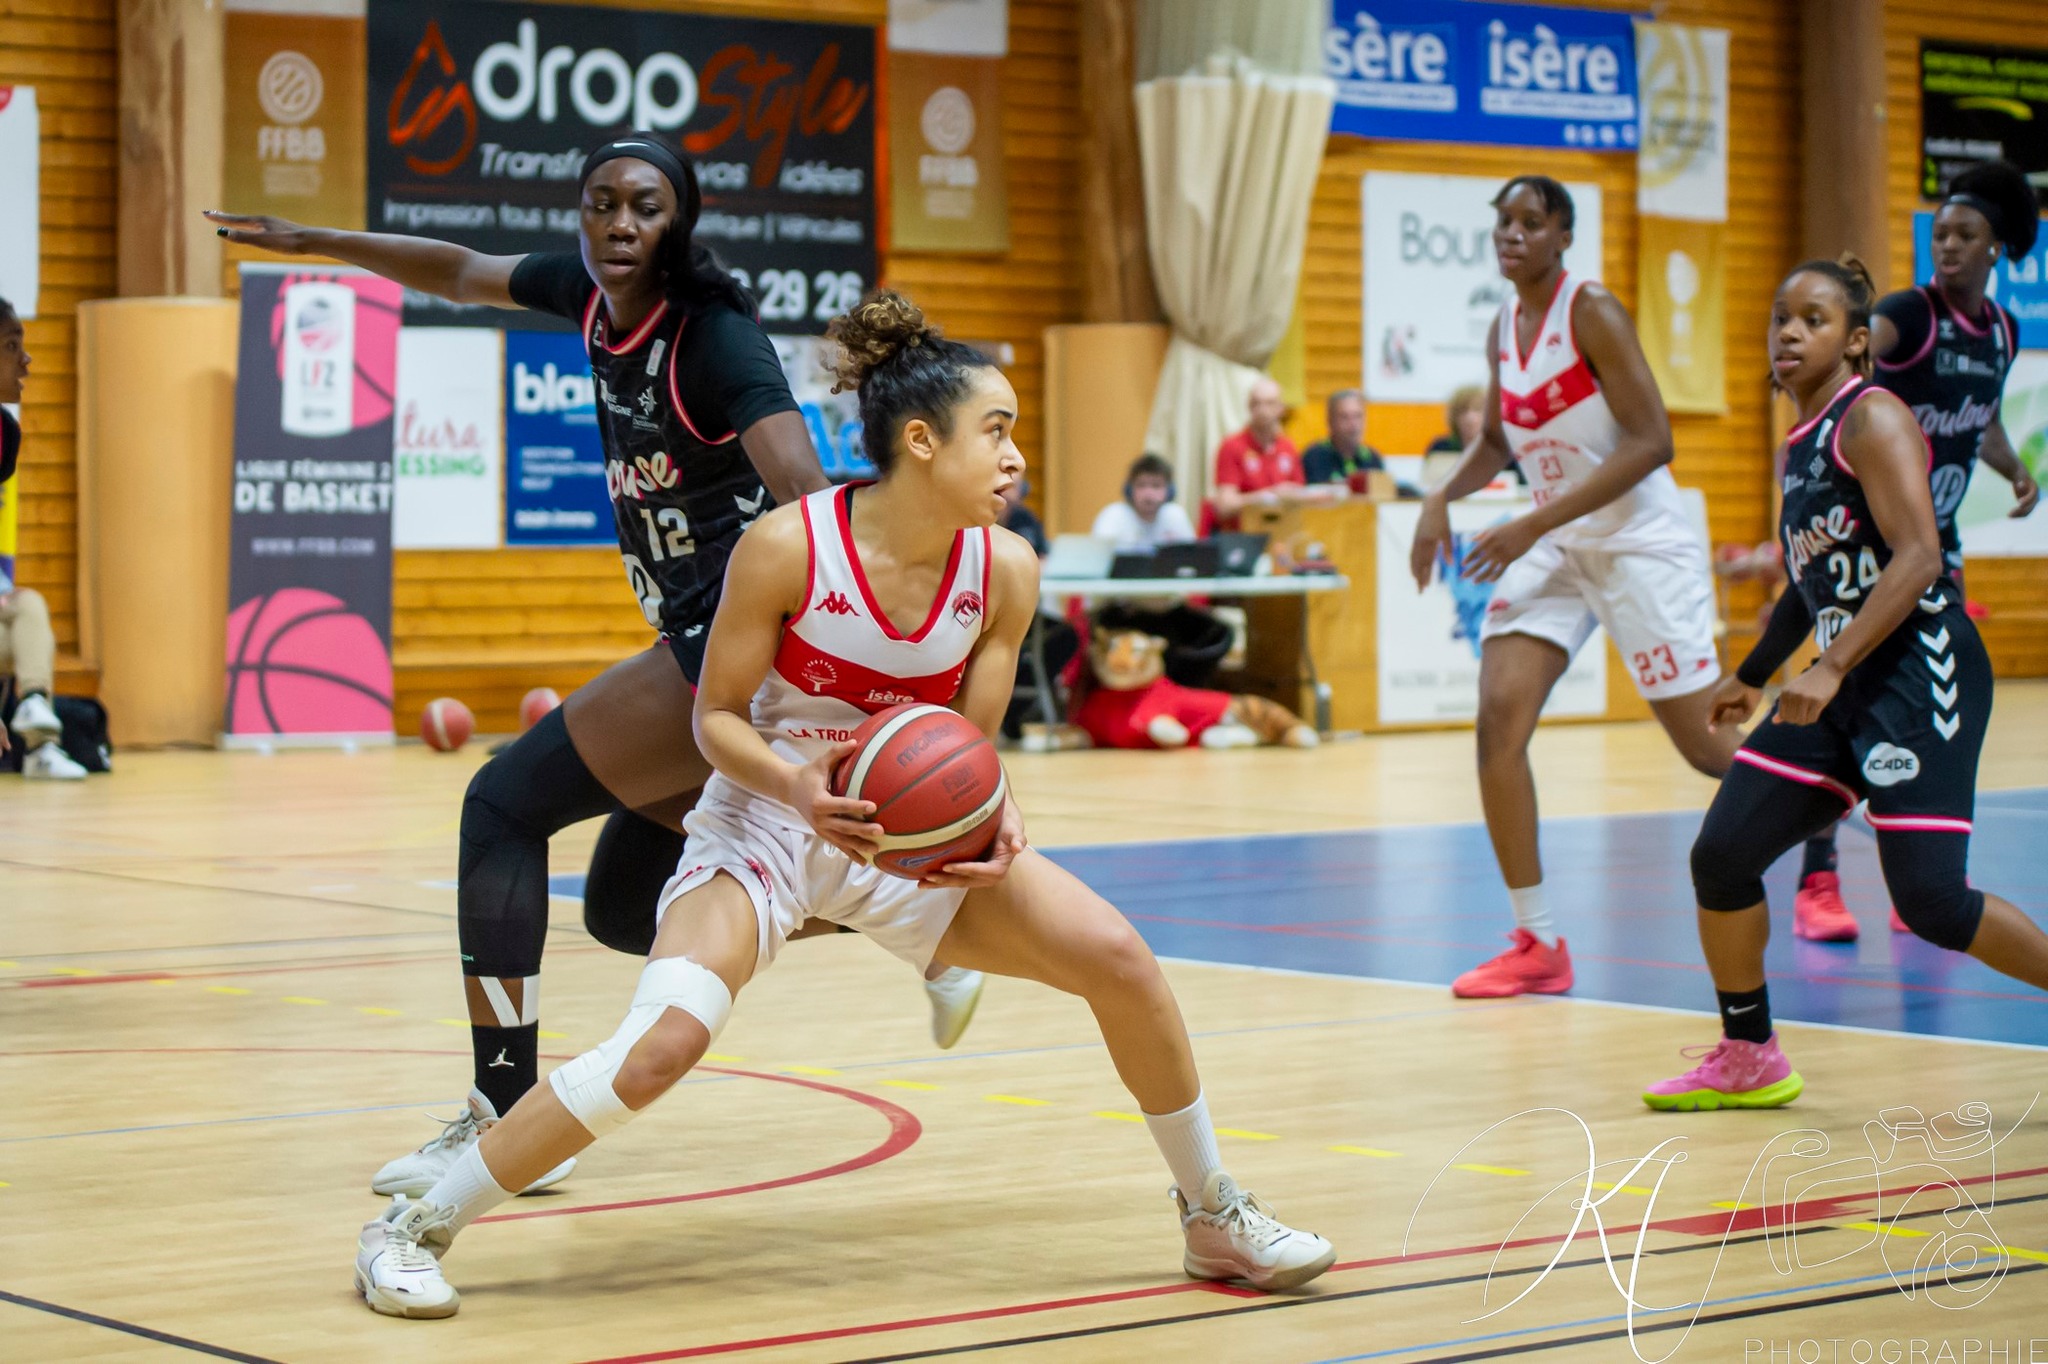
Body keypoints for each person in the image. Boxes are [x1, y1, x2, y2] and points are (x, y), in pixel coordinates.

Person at [350, 292, 1336, 1318]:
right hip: (765, 827)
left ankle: (1211, 1211)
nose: (1014, 460)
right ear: (920, 440)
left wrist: (991, 823)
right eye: (994, 431)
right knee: (661, 1045)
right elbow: (717, 718)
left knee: (1121, 960)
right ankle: (407, 1230)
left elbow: (968, 745)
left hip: (900, 843)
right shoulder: (785, 547)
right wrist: (794, 787)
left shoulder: (1003, 568)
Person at [205, 135, 985, 1200]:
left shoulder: (713, 341)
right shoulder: (586, 293)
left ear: (680, 222)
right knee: (626, 907)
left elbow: (806, 496)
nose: (619, 224)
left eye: (645, 208)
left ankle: (501, 1116)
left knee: (502, 803)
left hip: (733, 643)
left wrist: (855, 654)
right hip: (695, 638)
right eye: (601, 203)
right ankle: (924, 926)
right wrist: (315, 242)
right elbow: (461, 271)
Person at [1644, 256, 2048, 1111]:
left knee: (1934, 902)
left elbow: (1920, 556)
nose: (1789, 332)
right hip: (1844, 679)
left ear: (1856, 341)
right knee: (1722, 856)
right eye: (1780, 318)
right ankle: (1749, 1053)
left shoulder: (1872, 418)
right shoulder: (1802, 439)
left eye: (1814, 319)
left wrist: (1826, 669)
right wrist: (1752, 676)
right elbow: (1813, 581)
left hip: (1918, 671)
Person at [1410, 175, 1736, 999]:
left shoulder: (1592, 310)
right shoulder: (1503, 327)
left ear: (1562, 236)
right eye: (1502, 222)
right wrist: (1438, 502)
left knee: (1705, 749)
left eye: (1530, 222)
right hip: (1562, 545)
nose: (1511, 234)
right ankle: (1539, 943)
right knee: (1497, 725)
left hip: (1637, 541)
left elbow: (1653, 440)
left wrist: (1529, 521)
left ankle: (1830, 826)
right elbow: (1496, 439)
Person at [1789, 162, 2042, 943]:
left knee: (1927, 707)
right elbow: (1850, 360)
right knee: (1847, 700)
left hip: (1936, 548)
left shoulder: (1999, 330)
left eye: (1967, 236)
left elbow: (1982, 419)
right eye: (1943, 235)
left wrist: (2011, 469)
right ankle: (1817, 883)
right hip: (1865, 545)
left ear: (1997, 248)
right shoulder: (1908, 313)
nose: (1950, 248)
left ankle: (1917, 872)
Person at [0, 297, 85, 781]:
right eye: (13, 346)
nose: (27, 360)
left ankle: (35, 731)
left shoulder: (4, 434)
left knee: (28, 606)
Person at [1210, 377, 1306, 530]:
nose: (1262, 410)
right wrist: (1270, 496)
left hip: (1282, 532)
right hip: (1244, 535)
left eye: (1269, 403)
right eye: (1256, 403)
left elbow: (1299, 493)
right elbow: (1225, 506)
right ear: (1249, 407)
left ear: (1281, 408)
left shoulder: (1287, 447)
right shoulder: (1232, 446)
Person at [1092, 453, 1196, 550]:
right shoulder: (1113, 516)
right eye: (1141, 485)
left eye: (1156, 486)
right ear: (1129, 490)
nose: (1148, 493)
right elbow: (1099, 560)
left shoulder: (1175, 515)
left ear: (1169, 491)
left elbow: (1191, 560)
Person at [1301, 389, 1385, 487]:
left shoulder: (1372, 458)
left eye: (1358, 416)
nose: (1353, 424)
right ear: (1330, 421)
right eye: (1344, 417)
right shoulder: (1315, 456)